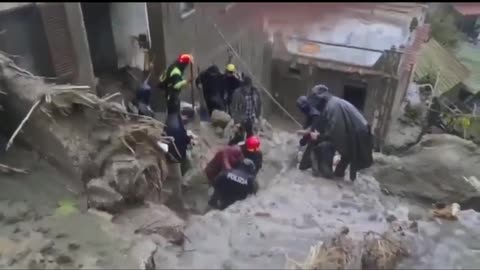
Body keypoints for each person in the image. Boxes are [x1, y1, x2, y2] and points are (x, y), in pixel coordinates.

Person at [309, 90, 373, 181]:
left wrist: (319, 137)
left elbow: (334, 132)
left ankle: (331, 172)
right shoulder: (334, 102)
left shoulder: (331, 106)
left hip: (358, 131)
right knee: (348, 150)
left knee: (341, 148)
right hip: (361, 128)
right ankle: (339, 173)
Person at [163, 100, 193, 209]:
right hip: (174, 156)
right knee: (176, 180)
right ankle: (177, 204)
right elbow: (178, 137)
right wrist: (187, 139)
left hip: (176, 153)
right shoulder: (175, 122)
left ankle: (181, 192)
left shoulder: (170, 119)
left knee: (187, 167)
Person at [229, 75, 262, 145]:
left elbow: (259, 105)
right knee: (240, 137)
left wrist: (258, 116)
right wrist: (236, 120)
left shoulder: (255, 92)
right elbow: (233, 108)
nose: (247, 89)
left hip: (251, 118)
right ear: (243, 86)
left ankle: (247, 150)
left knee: (250, 137)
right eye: (245, 87)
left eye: (248, 87)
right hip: (241, 118)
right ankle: (231, 146)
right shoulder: (237, 93)